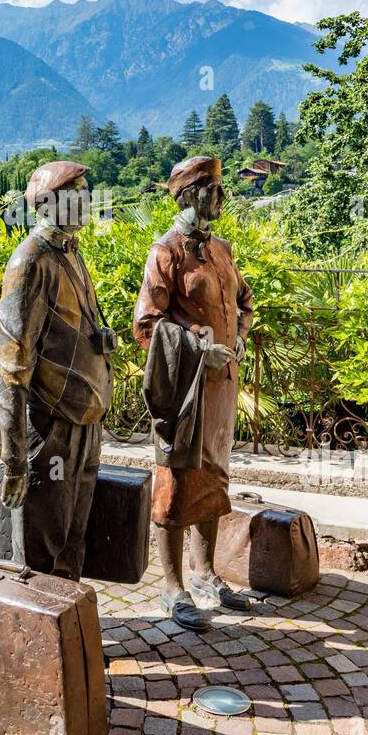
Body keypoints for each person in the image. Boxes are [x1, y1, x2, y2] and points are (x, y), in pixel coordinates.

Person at [133, 155, 254, 630]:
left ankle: (206, 575)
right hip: (183, 390)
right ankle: (172, 586)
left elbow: (244, 302)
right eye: (213, 189)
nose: (222, 197)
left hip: (222, 391)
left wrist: (239, 335)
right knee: (176, 480)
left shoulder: (221, 250)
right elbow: (148, 324)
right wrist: (201, 349)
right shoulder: (166, 252)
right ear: (190, 196)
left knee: (214, 476)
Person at [0, 160, 114, 580]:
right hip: (49, 427)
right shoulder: (29, 262)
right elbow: (12, 366)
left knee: (72, 540)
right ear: (50, 204)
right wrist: (15, 460)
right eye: (78, 194)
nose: (88, 201)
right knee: (41, 550)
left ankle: (68, 633)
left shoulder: (69, 254)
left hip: (83, 423)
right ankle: (37, 637)